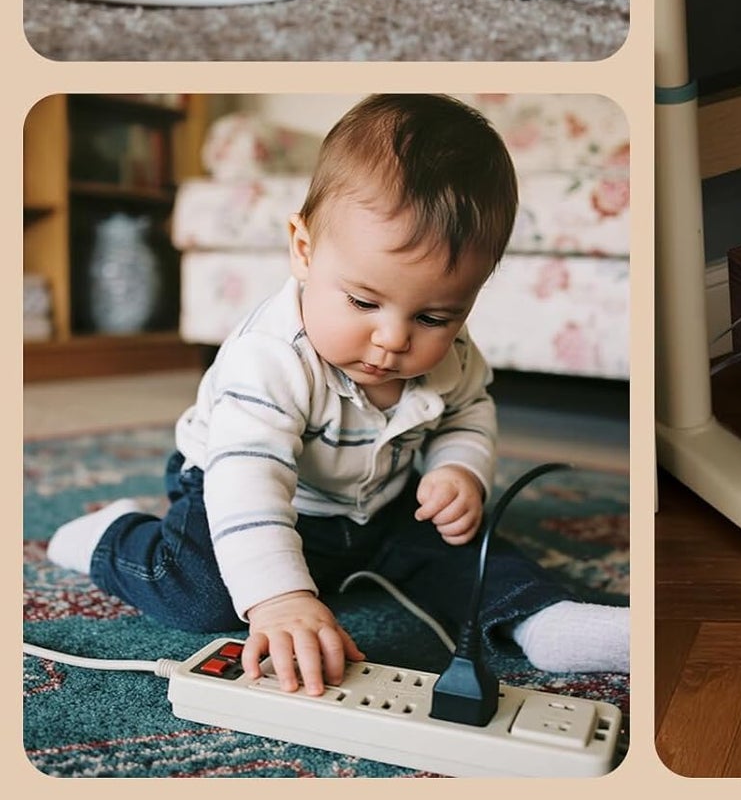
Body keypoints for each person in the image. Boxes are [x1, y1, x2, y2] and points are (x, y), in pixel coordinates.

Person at [47, 94, 628, 694]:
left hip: (379, 500)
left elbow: (468, 409)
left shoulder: (451, 354)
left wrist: (459, 471)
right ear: (304, 251)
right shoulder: (270, 358)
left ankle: (542, 621)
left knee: (466, 546)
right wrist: (281, 598)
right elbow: (249, 474)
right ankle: (111, 536)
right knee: (205, 593)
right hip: (247, 486)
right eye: (363, 302)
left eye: (434, 316)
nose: (393, 339)